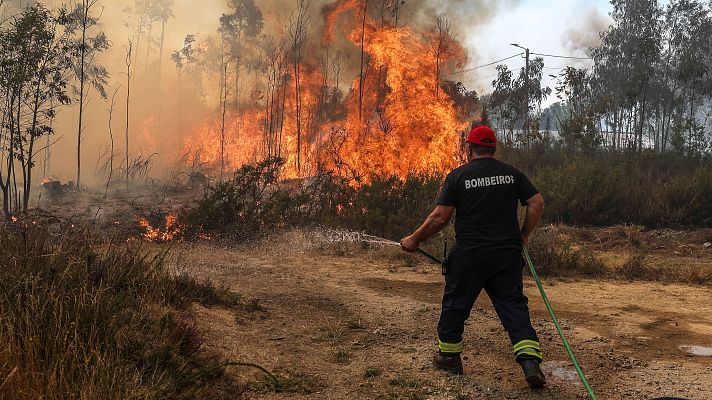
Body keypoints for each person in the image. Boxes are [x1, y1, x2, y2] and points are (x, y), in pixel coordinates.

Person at [400, 125, 546, 388]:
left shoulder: (458, 176)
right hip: (506, 256)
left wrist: (415, 239)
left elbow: (441, 217)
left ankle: (449, 358)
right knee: (513, 306)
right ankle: (529, 362)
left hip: (470, 256)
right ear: (493, 148)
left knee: (456, 305)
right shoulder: (511, 174)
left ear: (469, 148)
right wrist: (523, 234)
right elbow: (537, 202)